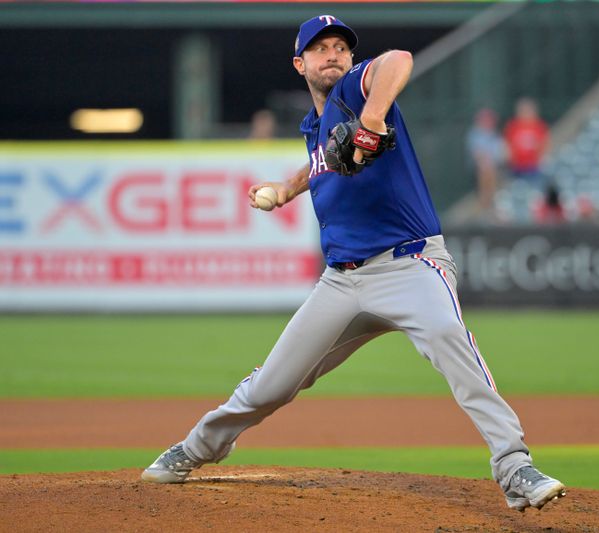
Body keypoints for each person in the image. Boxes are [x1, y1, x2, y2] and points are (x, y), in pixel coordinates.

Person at [140, 15, 566, 513]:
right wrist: (283, 191)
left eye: (341, 46)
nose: (334, 54)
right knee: (273, 384)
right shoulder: (315, 126)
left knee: (450, 339)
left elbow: (397, 61)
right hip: (341, 283)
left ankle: (515, 468)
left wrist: (372, 118)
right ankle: (198, 447)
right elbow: (321, 159)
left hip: (411, 265)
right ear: (300, 64)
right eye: (320, 49)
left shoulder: (355, 92)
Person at [466, 107, 506, 218]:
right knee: (486, 171)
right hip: (479, 170)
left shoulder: (496, 136)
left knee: (490, 172)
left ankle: (491, 203)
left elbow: (501, 155)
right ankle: (486, 205)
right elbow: (476, 154)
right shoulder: (474, 135)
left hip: (494, 169)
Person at [503, 97, 550, 185]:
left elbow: (544, 144)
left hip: (533, 166)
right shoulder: (512, 126)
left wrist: (540, 160)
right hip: (516, 166)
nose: (525, 113)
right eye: (523, 110)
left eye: (528, 110)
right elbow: (507, 146)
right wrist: (510, 160)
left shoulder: (539, 126)